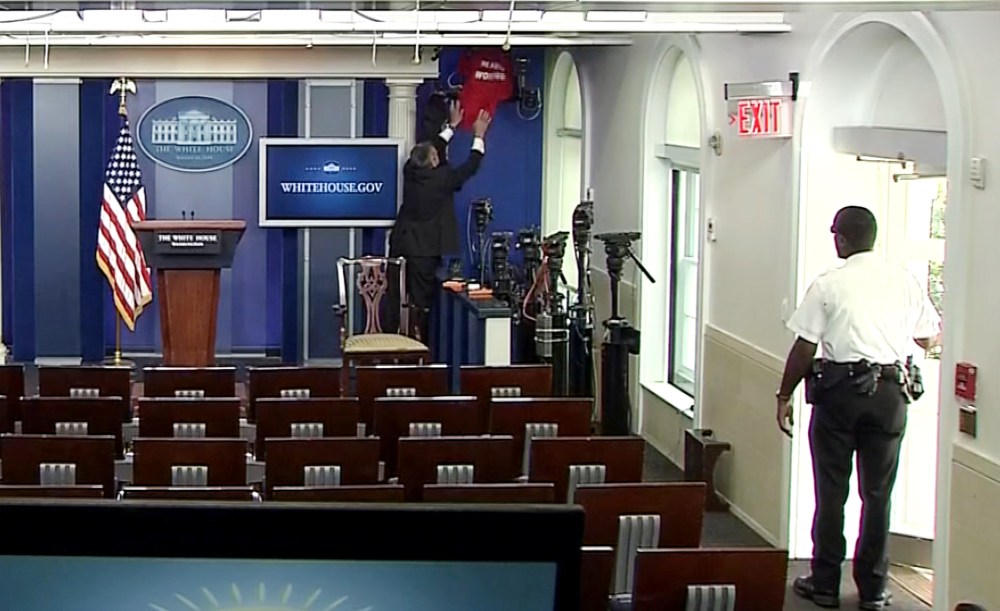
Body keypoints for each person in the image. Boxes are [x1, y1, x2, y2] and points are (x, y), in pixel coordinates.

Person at [777, 206, 941, 610]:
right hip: (889, 395)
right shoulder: (905, 281)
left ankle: (826, 584)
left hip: (839, 395)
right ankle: (874, 588)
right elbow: (929, 339)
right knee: (878, 495)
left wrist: (784, 395)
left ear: (842, 239)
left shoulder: (829, 285)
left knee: (832, 492)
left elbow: (805, 347)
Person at [386, 101, 492, 342]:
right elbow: (470, 167)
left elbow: (433, 146)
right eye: (436, 156)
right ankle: (417, 345)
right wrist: (479, 135)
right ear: (433, 162)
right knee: (421, 302)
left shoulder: (410, 170)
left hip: (401, 243)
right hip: (423, 251)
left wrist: (452, 127)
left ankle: (396, 339)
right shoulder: (442, 180)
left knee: (396, 297)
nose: (438, 154)